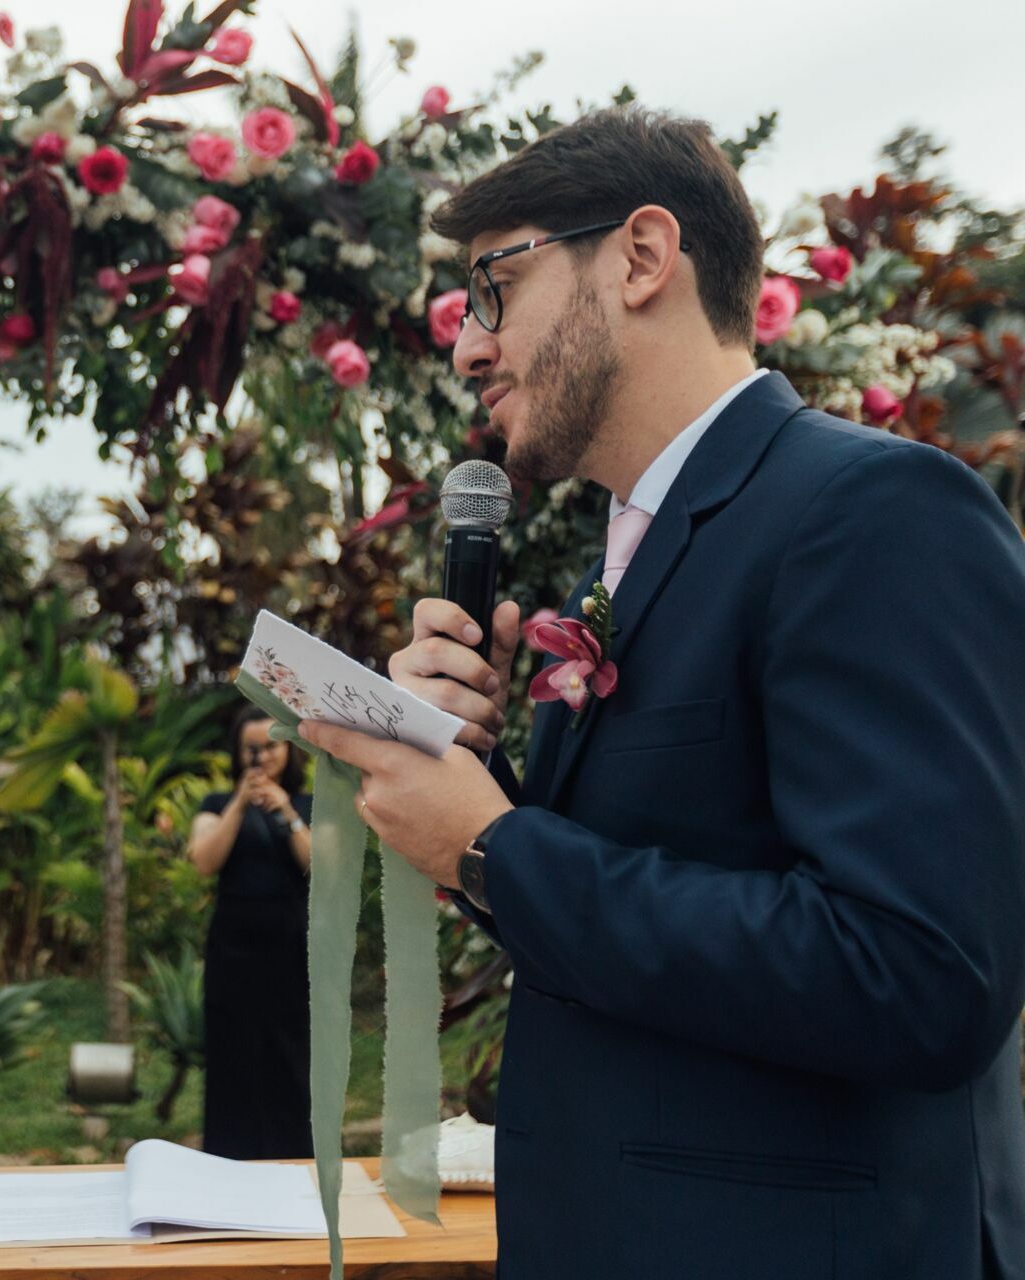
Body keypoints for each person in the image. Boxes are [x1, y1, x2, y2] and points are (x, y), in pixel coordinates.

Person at [301, 107, 1025, 1279]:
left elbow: (924, 973)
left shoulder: (875, 513)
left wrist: (497, 852)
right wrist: (466, 789)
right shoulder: (620, 562)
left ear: (642, 256)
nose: (467, 348)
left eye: (495, 287)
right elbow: (660, 881)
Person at [188, 708, 313, 1159]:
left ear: (289, 749)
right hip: (233, 946)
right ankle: (229, 1156)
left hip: (290, 944)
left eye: (271, 746)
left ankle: (293, 1157)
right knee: (231, 1052)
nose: (261, 757)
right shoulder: (216, 804)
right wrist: (240, 803)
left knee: (290, 1051)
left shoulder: (308, 804)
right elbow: (204, 860)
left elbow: (321, 866)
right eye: (252, 748)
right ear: (239, 753)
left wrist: (284, 810)